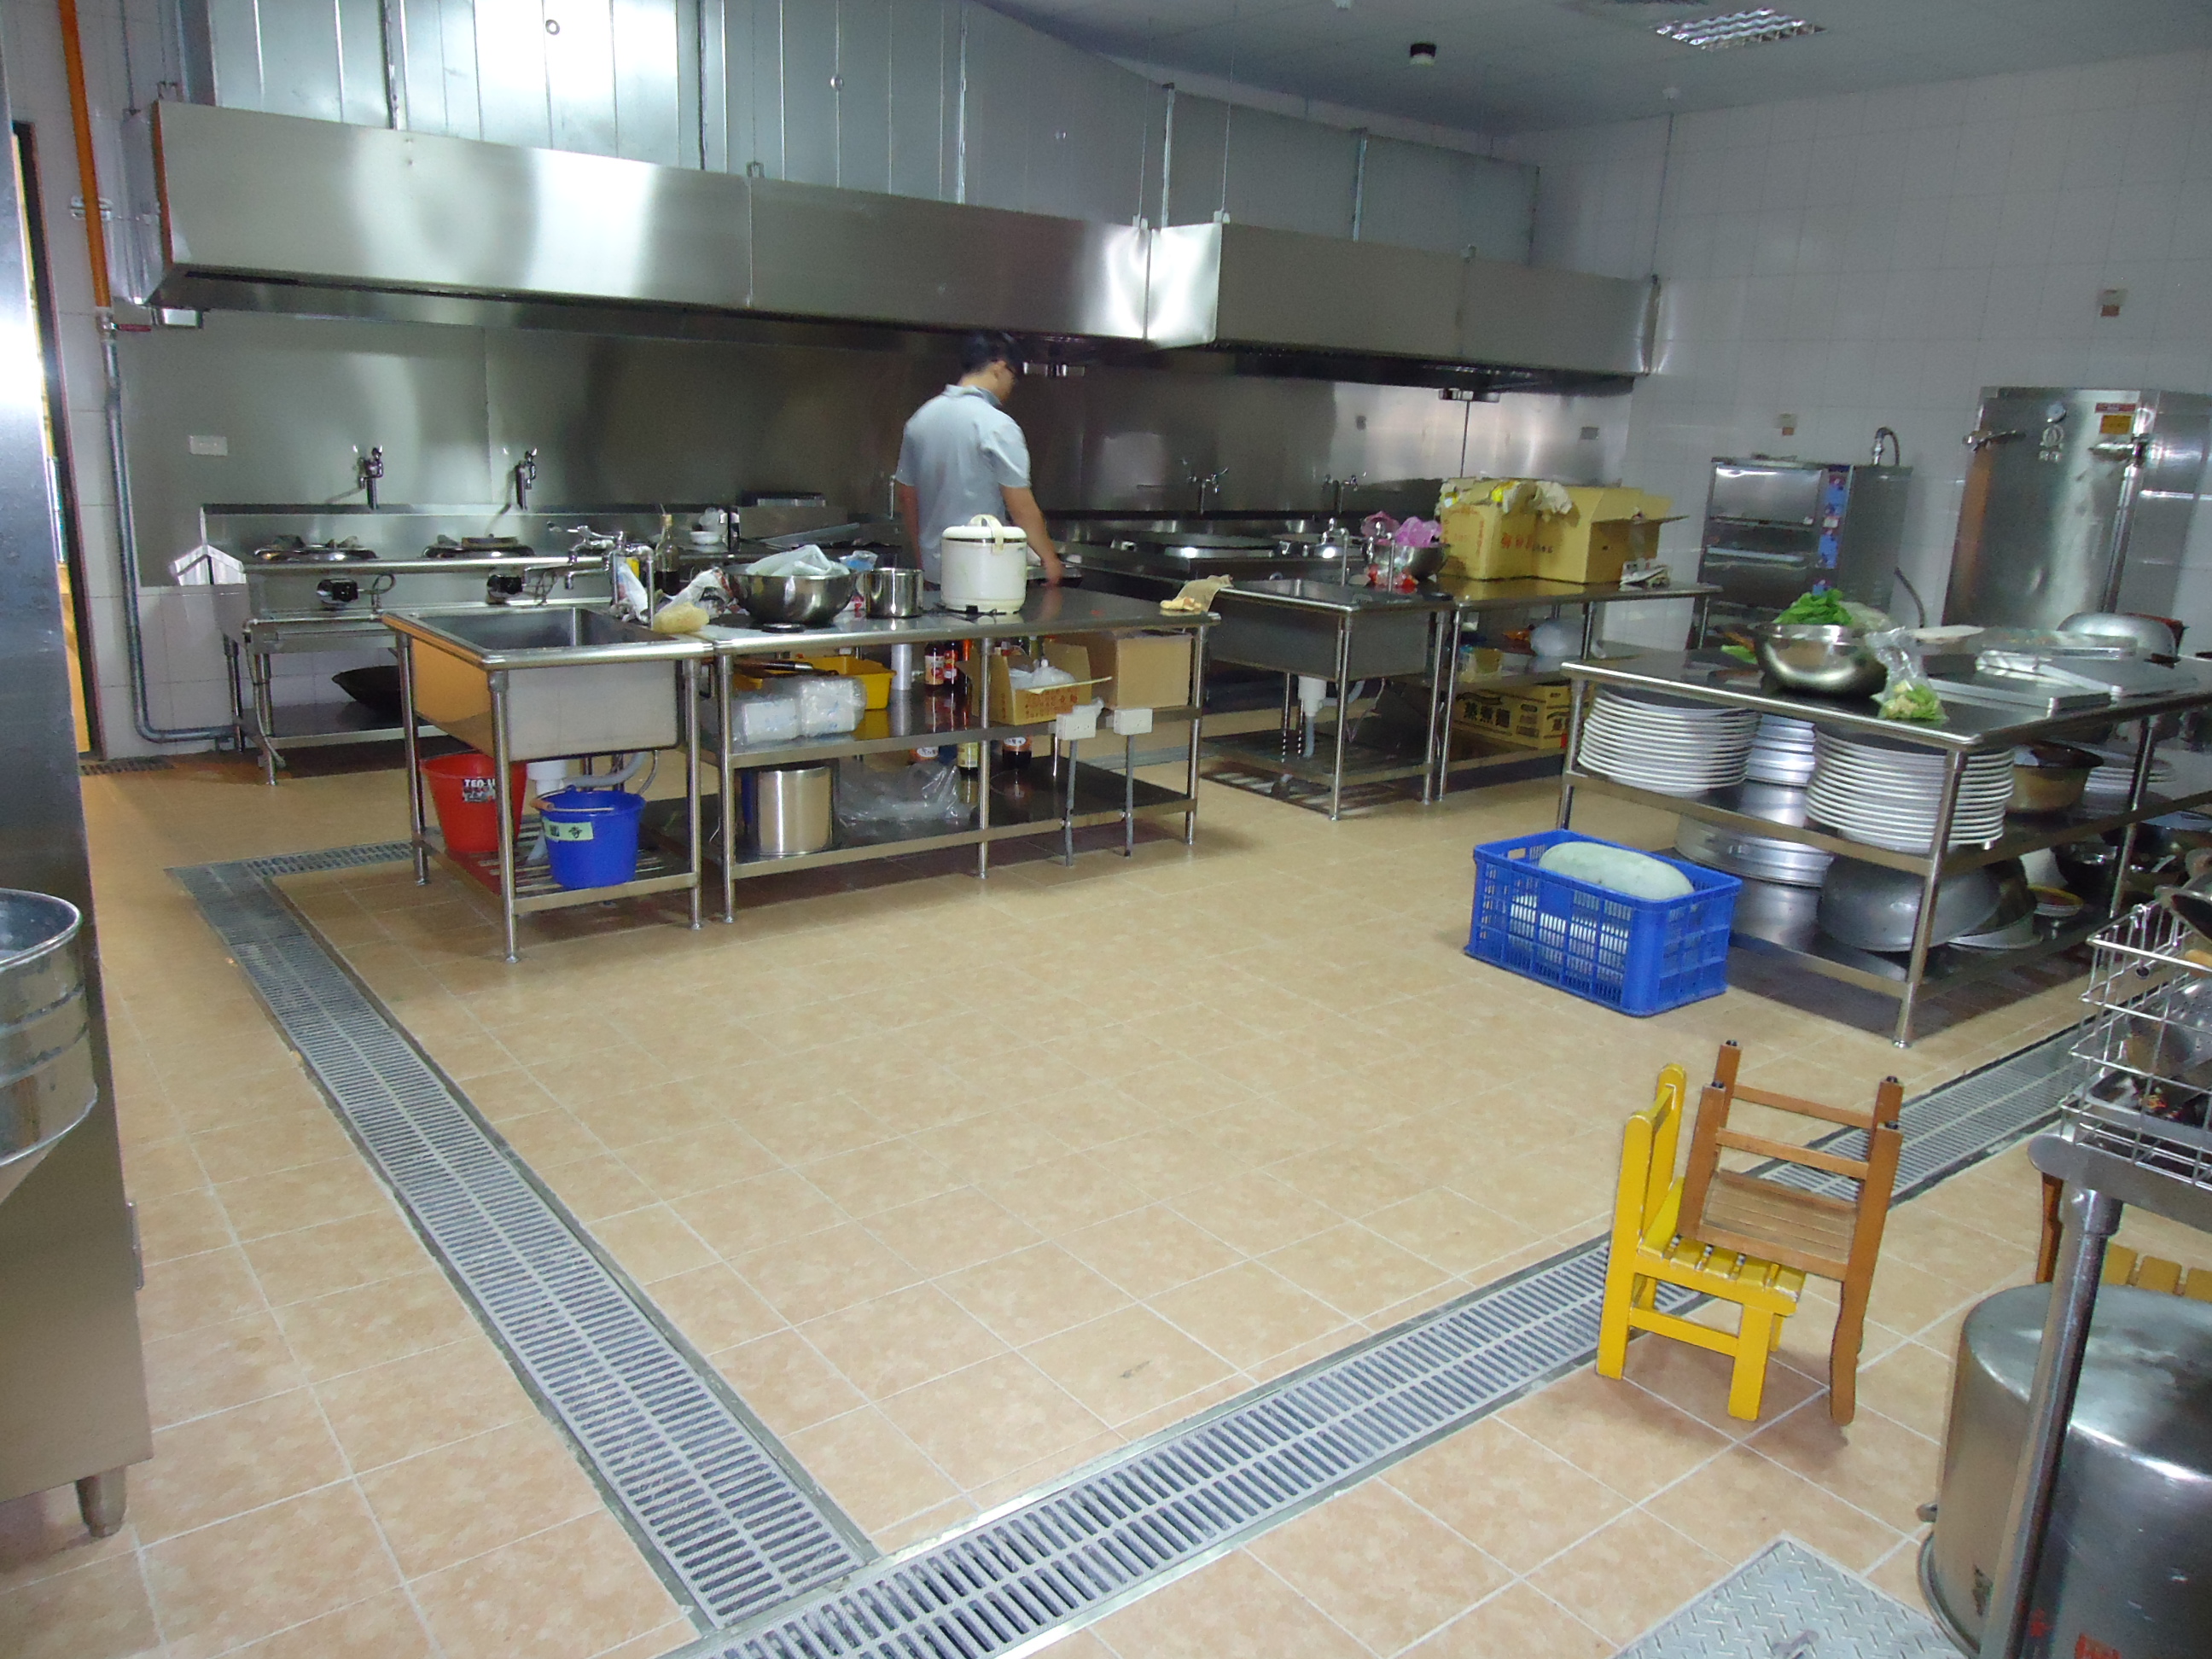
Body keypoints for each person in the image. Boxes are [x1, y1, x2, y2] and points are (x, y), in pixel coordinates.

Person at [894, 332, 1063, 589]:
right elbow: (1020, 505)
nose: (1010, 389)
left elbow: (906, 496)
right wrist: (1049, 559)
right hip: (983, 576)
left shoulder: (920, 420)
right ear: (1000, 368)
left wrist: (923, 561)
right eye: (1013, 379)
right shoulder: (997, 425)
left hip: (934, 573)